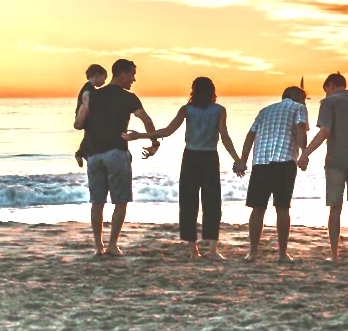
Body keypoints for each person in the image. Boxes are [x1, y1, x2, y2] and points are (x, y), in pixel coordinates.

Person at [124, 77, 241, 260]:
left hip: (191, 158)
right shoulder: (219, 110)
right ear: (212, 91)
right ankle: (212, 250)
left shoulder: (187, 109)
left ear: (193, 90)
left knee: (188, 203)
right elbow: (224, 136)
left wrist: (141, 136)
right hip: (209, 158)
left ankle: (193, 249)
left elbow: (167, 132)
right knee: (212, 203)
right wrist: (237, 159)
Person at [73, 59, 160, 257]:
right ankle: (112, 245)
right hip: (116, 153)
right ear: (122, 74)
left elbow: (81, 121)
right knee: (120, 202)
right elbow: (146, 120)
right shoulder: (128, 97)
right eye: (131, 75)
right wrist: (154, 143)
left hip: (94, 155)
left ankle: (98, 247)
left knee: (97, 202)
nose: (134, 79)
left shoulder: (93, 95)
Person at [298, 73, 348, 264]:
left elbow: (324, 132)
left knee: (335, 208)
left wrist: (305, 153)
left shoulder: (328, 103)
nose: (326, 94)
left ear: (330, 86)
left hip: (336, 160)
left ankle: (334, 255)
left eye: (326, 90)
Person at [237, 86, 308, 263]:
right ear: (295, 96)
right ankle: (283, 254)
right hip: (284, 161)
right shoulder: (299, 107)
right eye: (304, 98)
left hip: (261, 162)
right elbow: (300, 128)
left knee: (257, 208)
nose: (305, 101)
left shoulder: (265, 110)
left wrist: (242, 160)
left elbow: (250, 136)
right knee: (282, 208)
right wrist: (304, 153)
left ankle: (252, 252)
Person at [74, 64, 107, 168]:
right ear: (97, 75)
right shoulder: (89, 87)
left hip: (84, 114)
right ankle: (81, 152)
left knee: (88, 134)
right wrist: (88, 110)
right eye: (104, 78)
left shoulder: (88, 87)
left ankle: (83, 152)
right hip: (85, 115)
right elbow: (85, 97)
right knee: (90, 134)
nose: (104, 82)